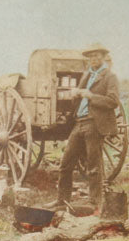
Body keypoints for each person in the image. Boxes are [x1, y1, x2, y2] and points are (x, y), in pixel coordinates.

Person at [45, 45, 120, 209]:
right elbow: (81, 98)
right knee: (65, 164)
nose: (94, 59)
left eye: (97, 56)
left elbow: (113, 101)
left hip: (94, 123)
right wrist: (76, 94)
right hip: (79, 122)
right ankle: (62, 200)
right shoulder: (87, 75)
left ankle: (94, 203)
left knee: (93, 166)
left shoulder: (110, 77)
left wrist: (91, 96)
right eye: (91, 56)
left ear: (103, 57)